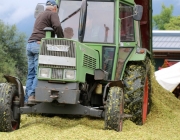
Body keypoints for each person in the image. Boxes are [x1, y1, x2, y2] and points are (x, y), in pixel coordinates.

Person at [25, 0, 64, 104]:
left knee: (31, 74)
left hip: (30, 44)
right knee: (40, 72)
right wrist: (62, 40)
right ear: (55, 8)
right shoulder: (53, 14)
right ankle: (32, 95)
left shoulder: (40, 15)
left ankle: (26, 99)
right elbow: (58, 26)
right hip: (39, 45)